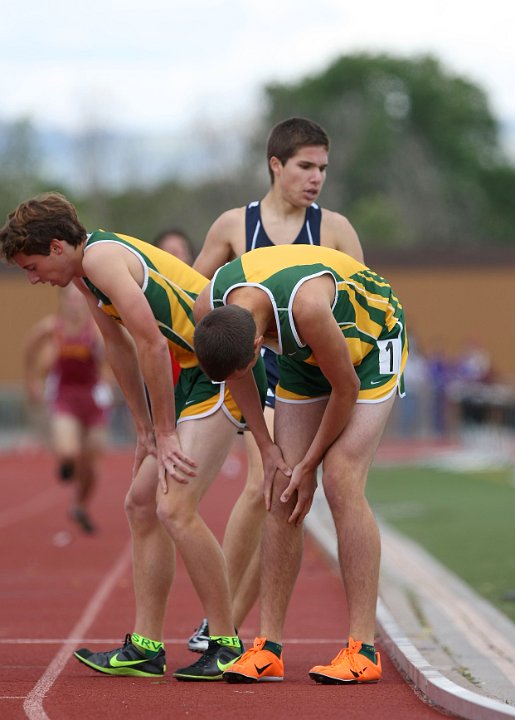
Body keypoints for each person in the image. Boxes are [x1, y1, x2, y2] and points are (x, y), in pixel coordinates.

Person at [0, 192, 268, 681]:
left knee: (174, 508)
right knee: (140, 503)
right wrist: (145, 430)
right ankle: (147, 647)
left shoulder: (101, 259)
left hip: (221, 372)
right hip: (193, 373)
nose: (34, 277)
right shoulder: (86, 272)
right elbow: (117, 345)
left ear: (58, 246)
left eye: (33, 265)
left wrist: (165, 432)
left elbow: (147, 339)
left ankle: (227, 643)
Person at [193, 243, 408, 684]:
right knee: (280, 483)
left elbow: (345, 389)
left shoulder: (307, 307)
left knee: (341, 479)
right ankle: (267, 647)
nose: (241, 372)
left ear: (257, 343)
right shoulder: (208, 306)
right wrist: (267, 448)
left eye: (248, 362)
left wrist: (310, 463)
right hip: (306, 353)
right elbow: (239, 377)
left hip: (368, 345)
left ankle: (362, 649)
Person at [187, 116, 364, 652]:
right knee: (263, 485)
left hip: (311, 372)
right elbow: (203, 302)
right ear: (275, 165)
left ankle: (229, 624)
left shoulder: (334, 230)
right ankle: (224, 622)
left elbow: (360, 310)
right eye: (305, 166)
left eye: (323, 168)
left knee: (270, 488)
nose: (316, 178)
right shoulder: (232, 226)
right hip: (250, 368)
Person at [24, 283, 112, 533]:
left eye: (79, 299)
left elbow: (115, 355)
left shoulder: (95, 330)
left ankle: (80, 505)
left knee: (92, 464)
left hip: (92, 399)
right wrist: (32, 380)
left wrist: (107, 378)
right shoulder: (52, 328)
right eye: (70, 298)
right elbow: (29, 347)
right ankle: (67, 464)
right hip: (65, 397)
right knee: (69, 452)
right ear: (62, 300)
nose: (74, 304)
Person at [153, 227, 196, 386]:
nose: (175, 258)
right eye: (168, 253)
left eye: (179, 251)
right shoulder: (144, 303)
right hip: (162, 388)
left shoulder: (205, 299)